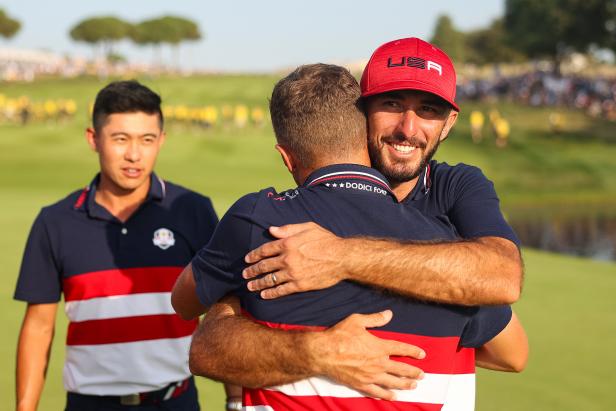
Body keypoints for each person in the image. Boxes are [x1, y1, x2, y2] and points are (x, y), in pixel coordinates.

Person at [172, 63, 528, 410]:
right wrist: (321, 350)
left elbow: (186, 306)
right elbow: (511, 352)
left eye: (428, 110)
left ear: (286, 157)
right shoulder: (451, 251)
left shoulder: (258, 220)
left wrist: (240, 296)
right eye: (391, 105)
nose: (407, 128)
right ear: (364, 123)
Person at [14, 80, 219, 411]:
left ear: (161, 141)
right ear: (93, 140)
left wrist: (237, 400)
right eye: (120, 139)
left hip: (175, 401)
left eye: (147, 139)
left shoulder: (193, 210)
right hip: (88, 405)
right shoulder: (55, 222)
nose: (134, 154)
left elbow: (226, 309)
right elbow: (38, 327)